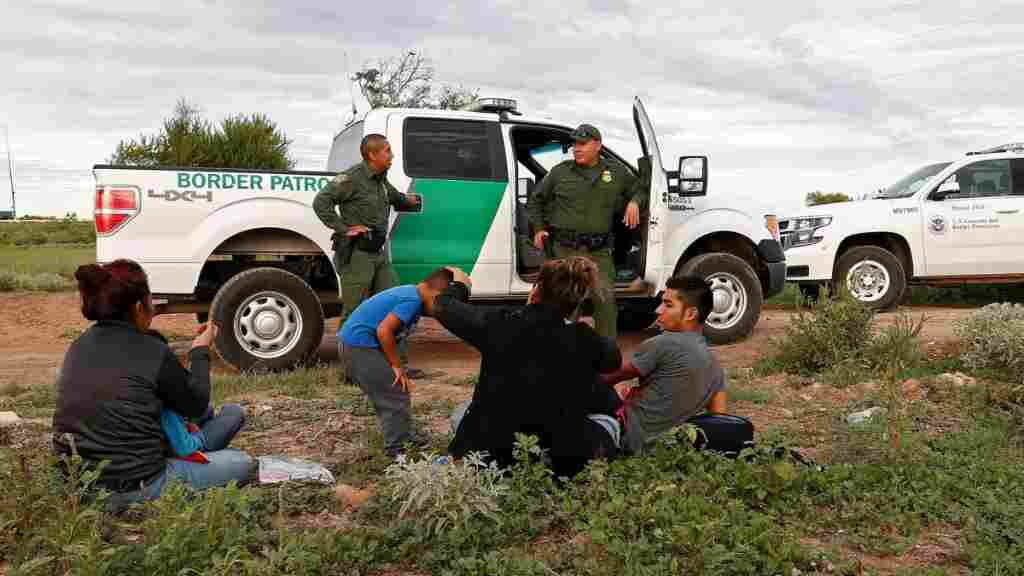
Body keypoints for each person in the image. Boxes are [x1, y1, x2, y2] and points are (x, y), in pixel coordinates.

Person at [52, 260, 252, 511]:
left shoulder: (78, 346)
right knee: (241, 461)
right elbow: (196, 403)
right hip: (139, 484)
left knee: (201, 420)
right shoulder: (151, 350)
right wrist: (200, 350)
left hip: (78, 486)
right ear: (138, 307)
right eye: (150, 302)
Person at [436, 257, 623, 479]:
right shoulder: (589, 341)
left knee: (461, 413)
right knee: (608, 421)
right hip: (563, 459)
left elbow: (443, 306)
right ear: (579, 302)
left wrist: (459, 284)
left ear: (536, 290)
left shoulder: (500, 323)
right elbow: (613, 360)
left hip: (493, 454)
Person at [527, 123, 647, 339]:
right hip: (564, 251)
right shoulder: (560, 172)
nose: (577, 148)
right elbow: (536, 201)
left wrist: (634, 202)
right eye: (574, 144)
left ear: (598, 145)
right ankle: (558, 354)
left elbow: (640, 187)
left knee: (606, 301)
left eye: (582, 144)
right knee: (563, 304)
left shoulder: (616, 172)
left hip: (598, 252)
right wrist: (538, 229)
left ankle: (606, 355)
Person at [601, 275, 728, 455]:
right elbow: (720, 422)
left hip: (627, 441)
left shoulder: (662, 343)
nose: (658, 310)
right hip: (669, 452)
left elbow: (604, 380)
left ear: (690, 314)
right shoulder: (716, 366)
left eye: (668, 305)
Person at [338, 267, 456, 457]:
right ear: (436, 293)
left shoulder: (412, 295)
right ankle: (396, 449)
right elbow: (384, 331)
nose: (440, 310)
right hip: (359, 347)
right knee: (394, 394)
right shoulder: (412, 300)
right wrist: (396, 366)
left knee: (395, 391)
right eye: (442, 304)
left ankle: (404, 436)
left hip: (359, 346)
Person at [313, 134, 421, 332]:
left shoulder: (381, 180)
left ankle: (393, 362)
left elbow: (394, 196)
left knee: (393, 305)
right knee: (354, 312)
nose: (392, 155)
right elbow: (321, 202)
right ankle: (349, 360)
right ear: (372, 155)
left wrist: (409, 200)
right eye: (387, 151)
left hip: (379, 253)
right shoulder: (352, 178)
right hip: (357, 256)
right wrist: (344, 229)